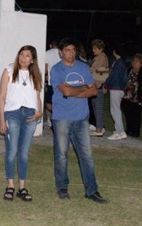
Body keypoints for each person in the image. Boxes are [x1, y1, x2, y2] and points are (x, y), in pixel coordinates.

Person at [50, 37, 107, 203]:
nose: (71, 53)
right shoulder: (56, 70)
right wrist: (83, 89)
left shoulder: (83, 67)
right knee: (61, 154)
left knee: (86, 155)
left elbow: (94, 91)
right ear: (61, 53)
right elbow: (65, 92)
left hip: (81, 118)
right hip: (62, 118)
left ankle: (91, 190)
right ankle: (62, 187)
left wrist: (75, 90)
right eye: (67, 50)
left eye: (73, 50)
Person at [0, 45, 42, 203]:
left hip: (30, 115)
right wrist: (2, 120)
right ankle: (10, 185)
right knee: (12, 151)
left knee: (24, 152)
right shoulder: (9, 70)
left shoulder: (35, 74)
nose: (23, 58)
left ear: (32, 59)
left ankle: (22, 187)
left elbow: (37, 95)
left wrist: (39, 111)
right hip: (13, 114)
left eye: (27, 56)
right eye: (21, 54)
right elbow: (1, 97)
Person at [121, 53, 142, 138]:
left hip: (139, 95)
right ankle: (129, 128)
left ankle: (135, 131)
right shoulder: (130, 70)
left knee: (136, 114)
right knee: (127, 111)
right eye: (133, 61)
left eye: (136, 61)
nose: (134, 63)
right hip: (129, 94)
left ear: (141, 63)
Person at [106, 47, 128, 140]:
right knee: (116, 110)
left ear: (115, 51)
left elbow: (113, 76)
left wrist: (106, 83)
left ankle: (120, 131)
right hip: (119, 88)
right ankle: (119, 131)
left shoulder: (118, 63)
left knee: (115, 111)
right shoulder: (121, 62)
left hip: (116, 88)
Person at [88, 39, 109, 137]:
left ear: (100, 49)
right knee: (96, 107)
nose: (93, 50)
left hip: (98, 86)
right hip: (96, 85)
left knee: (98, 108)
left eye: (95, 48)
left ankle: (99, 129)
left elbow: (95, 70)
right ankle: (99, 128)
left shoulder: (101, 57)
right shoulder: (100, 57)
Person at [44, 41, 60, 127]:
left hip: (51, 82)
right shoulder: (62, 52)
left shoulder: (48, 53)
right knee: (58, 102)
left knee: (48, 103)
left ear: (50, 45)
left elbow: (45, 70)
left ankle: (55, 118)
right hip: (62, 83)